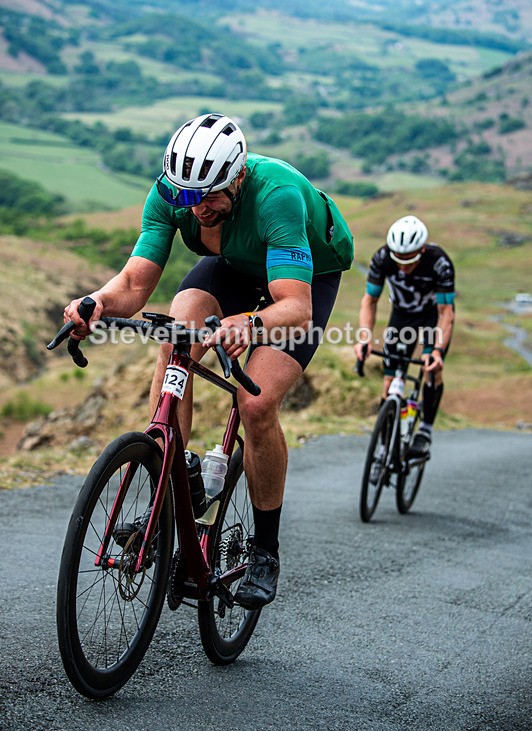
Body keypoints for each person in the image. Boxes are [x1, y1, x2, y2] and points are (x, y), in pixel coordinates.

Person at [64, 112, 354, 610]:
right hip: (233, 265)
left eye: (210, 196)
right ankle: (171, 484)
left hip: (303, 278)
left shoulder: (276, 196)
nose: (196, 207)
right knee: (177, 336)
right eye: (186, 196)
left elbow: (295, 306)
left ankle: (265, 549)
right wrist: (96, 303)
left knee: (255, 402)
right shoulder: (175, 194)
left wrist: (253, 323)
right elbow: (134, 283)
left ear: (238, 177)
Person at [354, 215, 455, 456]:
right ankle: (383, 447)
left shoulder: (440, 263)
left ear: (422, 249)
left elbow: (445, 312)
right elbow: (370, 300)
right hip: (403, 316)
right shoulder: (381, 258)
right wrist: (364, 338)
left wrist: (437, 351)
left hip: (433, 316)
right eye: (398, 260)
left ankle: (425, 431)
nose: (402, 267)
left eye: (409, 262)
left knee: (432, 369)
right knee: (389, 381)